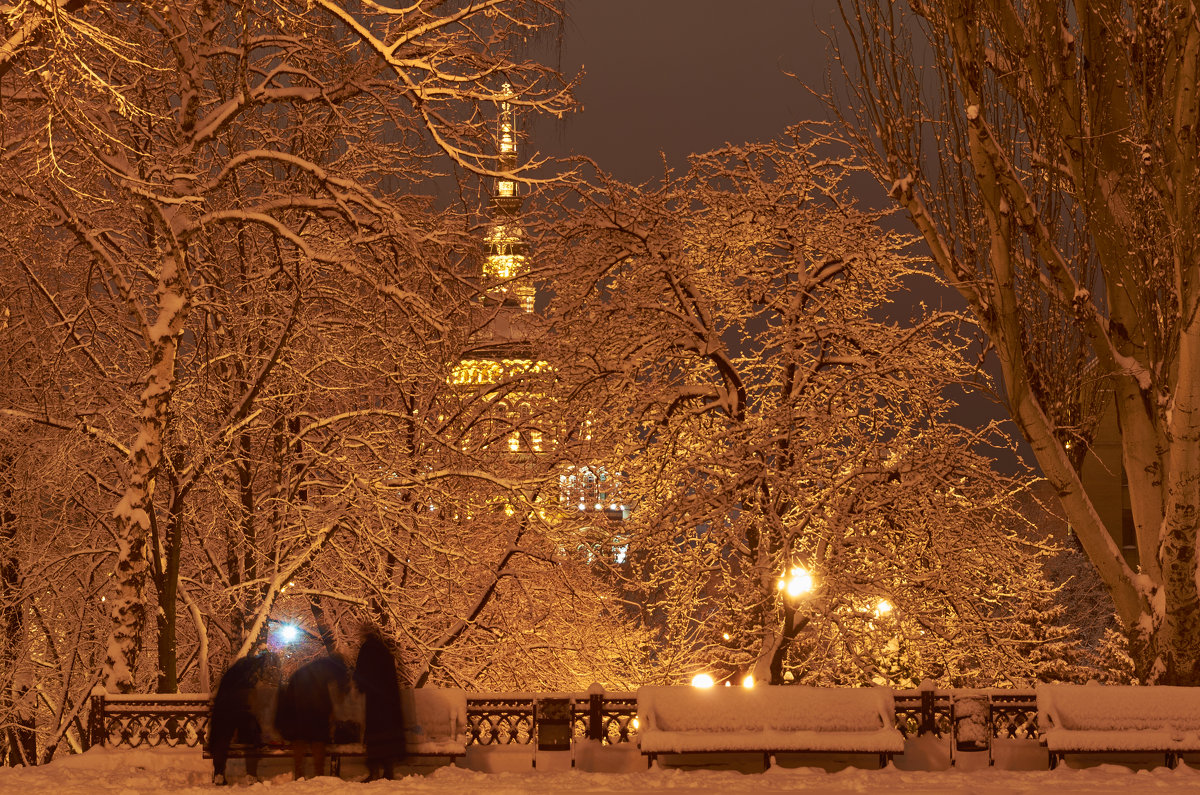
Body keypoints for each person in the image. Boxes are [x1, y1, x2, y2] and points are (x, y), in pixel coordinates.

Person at [273, 654, 350, 779]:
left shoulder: (314, 667)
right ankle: (318, 773)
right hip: (315, 705)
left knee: (299, 737)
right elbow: (340, 688)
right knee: (318, 739)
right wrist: (333, 709)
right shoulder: (335, 667)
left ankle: (299, 773)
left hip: (295, 703)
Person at [208, 651, 279, 785]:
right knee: (252, 739)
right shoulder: (250, 675)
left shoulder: (233, 673)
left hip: (223, 710)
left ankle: (219, 773)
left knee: (221, 739)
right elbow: (251, 701)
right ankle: (251, 774)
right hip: (242, 710)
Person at [353, 629, 406, 780]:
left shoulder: (366, 649)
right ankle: (388, 771)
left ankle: (374, 772)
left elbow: (360, 675)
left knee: (374, 735)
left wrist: (360, 688)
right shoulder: (385, 651)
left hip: (374, 701)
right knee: (387, 736)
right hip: (389, 701)